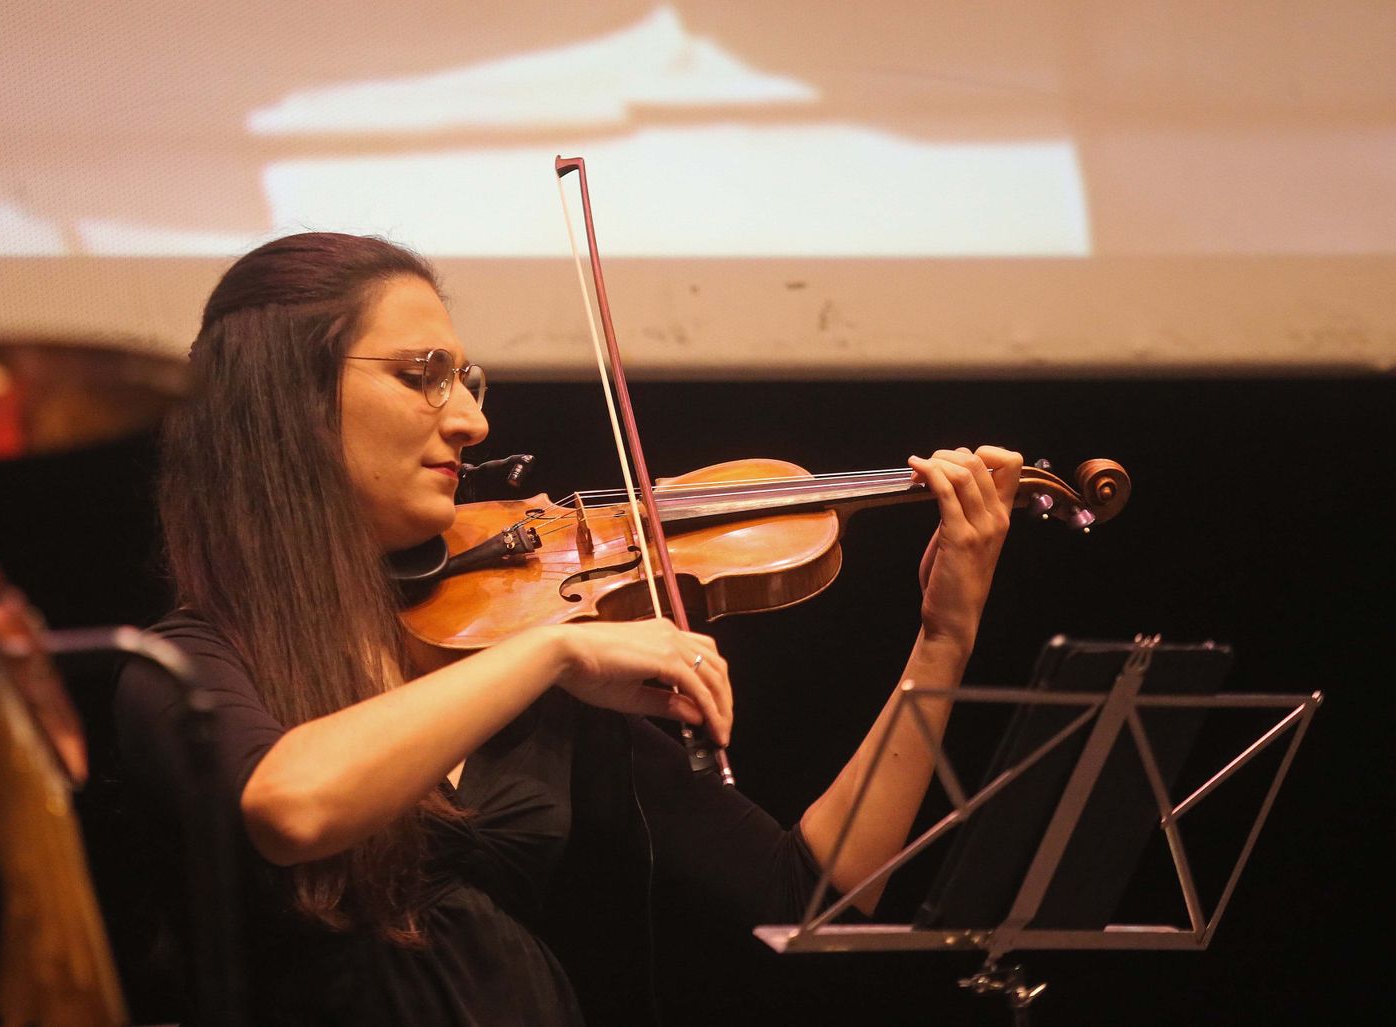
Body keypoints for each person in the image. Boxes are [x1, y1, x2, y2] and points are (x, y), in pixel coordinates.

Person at [114, 231, 1022, 1025]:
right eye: (423, 377)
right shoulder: (181, 669)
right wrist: (548, 650)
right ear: (287, 398)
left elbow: (817, 892)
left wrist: (943, 639)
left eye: (465, 380)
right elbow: (292, 804)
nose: (472, 420)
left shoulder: (520, 664)